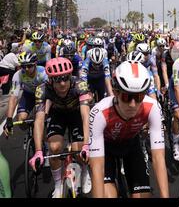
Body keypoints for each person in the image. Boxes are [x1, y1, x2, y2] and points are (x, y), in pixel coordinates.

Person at [89, 61, 169, 198]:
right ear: (115, 92)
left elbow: (158, 157)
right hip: (106, 148)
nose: (133, 105)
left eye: (139, 97)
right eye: (127, 97)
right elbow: (97, 168)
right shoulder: (99, 112)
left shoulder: (153, 107)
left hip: (131, 146)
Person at [28, 58, 92, 197]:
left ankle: (85, 170)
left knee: (79, 149)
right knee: (55, 148)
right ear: (50, 80)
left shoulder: (79, 85)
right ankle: (57, 184)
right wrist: (39, 151)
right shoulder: (42, 89)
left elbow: (85, 116)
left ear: (71, 76)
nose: (62, 83)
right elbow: (39, 120)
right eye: (57, 80)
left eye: (65, 78)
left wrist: (86, 144)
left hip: (76, 113)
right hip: (58, 114)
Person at [3, 53, 48, 136]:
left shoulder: (43, 72)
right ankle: (31, 133)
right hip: (28, 95)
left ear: (35, 64)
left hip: (43, 96)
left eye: (29, 66)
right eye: (23, 66)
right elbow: (13, 97)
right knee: (22, 120)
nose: (26, 69)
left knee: (43, 121)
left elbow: (51, 92)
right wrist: (9, 119)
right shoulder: (18, 74)